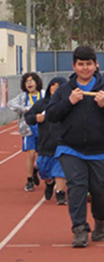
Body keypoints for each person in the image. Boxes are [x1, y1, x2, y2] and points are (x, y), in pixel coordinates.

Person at [46, 46, 104, 248]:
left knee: (100, 191)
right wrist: (69, 102)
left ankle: (101, 220)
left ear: (96, 65)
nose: (85, 68)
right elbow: (51, 115)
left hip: (101, 150)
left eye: (89, 64)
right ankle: (79, 229)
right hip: (71, 149)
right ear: (74, 66)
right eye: (81, 64)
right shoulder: (64, 90)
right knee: (76, 187)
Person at [25, 76, 68, 205]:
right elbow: (28, 117)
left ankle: (60, 193)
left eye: (59, 86)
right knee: (43, 169)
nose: (55, 88)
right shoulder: (41, 104)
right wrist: (35, 117)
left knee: (60, 168)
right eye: (53, 85)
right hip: (45, 143)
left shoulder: (68, 104)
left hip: (62, 143)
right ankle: (49, 183)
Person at [8, 72, 44, 192]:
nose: (29, 83)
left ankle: (35, 169)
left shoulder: (43, 94)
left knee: (44, 156)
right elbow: (10, 104)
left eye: (31, 80)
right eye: (26, 81)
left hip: (43, 129)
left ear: (37, 82)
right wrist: (24, 109)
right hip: (28, 129)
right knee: (31, 154)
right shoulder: (23, 97)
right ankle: (29, 180)